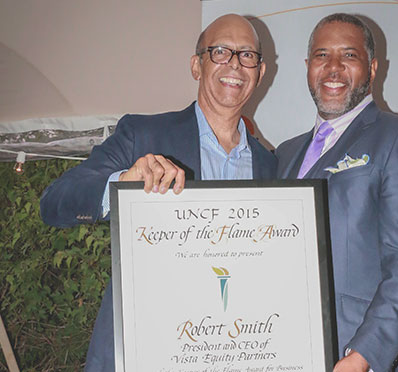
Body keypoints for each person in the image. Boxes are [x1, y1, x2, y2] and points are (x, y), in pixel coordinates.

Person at [40, 14, 276, 371]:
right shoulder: (143, 135)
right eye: (221, 52)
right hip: (144, 353)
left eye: (247, 55)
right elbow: (54, 201)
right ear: (196, 65)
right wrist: (122, 183)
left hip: (234, 352)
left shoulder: (272, 167)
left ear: (259, 73)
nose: (235, 64)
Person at [275, 13, 398, 372]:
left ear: (372, 68)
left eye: (348, 55)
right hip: (286, 350)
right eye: (322, 55)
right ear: (308, 67)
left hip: (357, 358)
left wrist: (363, 356)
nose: (333, 67)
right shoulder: (285, 153)